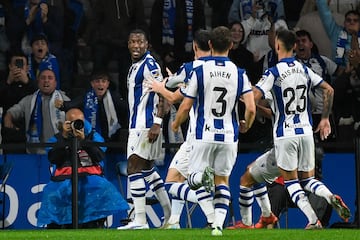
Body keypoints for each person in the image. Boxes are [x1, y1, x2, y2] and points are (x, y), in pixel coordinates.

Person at [253, 29, 351, 229]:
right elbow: (329, 89)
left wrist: (246, 104)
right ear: (295, 46)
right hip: (306, 133)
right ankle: (328, 195)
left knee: (290, 183)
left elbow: (254, 97)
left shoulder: (273, 72)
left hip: (285, 134)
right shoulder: (304, 69)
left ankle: (313, 220)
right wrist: (324, 119)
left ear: (277, 46)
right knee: (308, 180)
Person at [171, 26, 256, 236]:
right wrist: (246, 123)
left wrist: (175, 124)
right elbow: (251, 107)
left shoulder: (199, 71)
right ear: (231, 45)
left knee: (193, 178)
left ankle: (200, 179)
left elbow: (185, 106)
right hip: (229, 136)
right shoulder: (239, 73)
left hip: (203, 134)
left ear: (210, 45)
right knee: (223, 181)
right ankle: (217, 225)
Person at [145, 29, 215, 229]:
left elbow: (172, 93)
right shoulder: (224, 69)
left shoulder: (190, 68)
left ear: (194, 47)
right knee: (177, 177)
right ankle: (174, 222)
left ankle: (211, 215)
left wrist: (160, 87)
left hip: (196, 135)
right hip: (220, 134)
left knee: (171, 183)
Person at [37, 108, 129, 229]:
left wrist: (84, 140)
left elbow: (99, 156)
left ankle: (96, 223)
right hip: (63, 178)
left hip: (91, 177)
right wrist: (64, 138)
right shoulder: (57, 138)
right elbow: (54, 158)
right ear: (66, 123)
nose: (76, 125)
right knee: (51, 191)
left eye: (79, 121)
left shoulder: (93, 136)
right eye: (72, 122)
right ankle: (57, 226)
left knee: (103, 186)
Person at [117, 29, 171, 230]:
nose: (136, 45)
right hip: (138, 124)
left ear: (147, 44)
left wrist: (157, 122)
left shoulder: (150, 65)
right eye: (133, 41)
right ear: (128, 44)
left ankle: (140, 220)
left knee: (133, 168)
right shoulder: (134, 67)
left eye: (140, 42)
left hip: (146, 125)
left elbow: (162, 92)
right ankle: (169, 215)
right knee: (147, 171)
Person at [3, 65, 69, 154]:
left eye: (50, 78)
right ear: (38, 82)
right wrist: (8, 118)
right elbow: (13, 111)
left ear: (55, 83)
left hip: (57, 152)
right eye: (43, 78)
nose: (46, 80)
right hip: (32, 151)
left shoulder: (65, 100)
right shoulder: (29, 100)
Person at [91, 0, 148, 99]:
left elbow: (140, 20)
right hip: (106, 39)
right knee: (99, 59)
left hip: (125, 42)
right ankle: (99, 97)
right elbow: (95, 18)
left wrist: (146, 39)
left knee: (127, 71)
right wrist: (87, 37)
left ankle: (126, 101)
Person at [54, 71, 128, 144]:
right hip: (92, 137)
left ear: (108, 84)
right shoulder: (86, 96)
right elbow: (73, 104)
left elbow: (125, 108)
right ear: (92, 84)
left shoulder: (114, 97)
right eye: (97, 81)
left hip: (112, 137)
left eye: (103, 81)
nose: (100, 84)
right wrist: (62, 105)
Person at [150, 0, 206, 74]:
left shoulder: (196, 2)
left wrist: (195, 53)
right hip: (169, 56)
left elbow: (200, 27)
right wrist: (164, 54)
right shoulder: (161, 2)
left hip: (190, 56)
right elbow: (154, 28)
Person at [0, 50, 37, 153]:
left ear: (27, 68)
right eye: (15, 65)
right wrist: (8, 82)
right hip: (8, 132)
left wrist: (27, 82)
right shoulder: (4, 84)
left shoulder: (33, 85)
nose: (18, 68)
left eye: (21, 65)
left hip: (29, 131)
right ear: (10, 67)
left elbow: (41, 97)